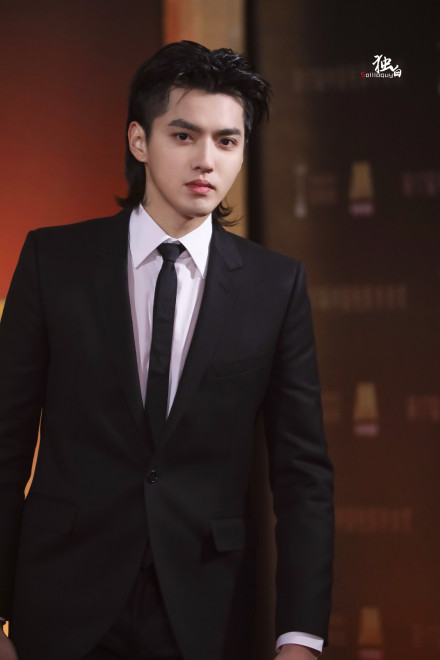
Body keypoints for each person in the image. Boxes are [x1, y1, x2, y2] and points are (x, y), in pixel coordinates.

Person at [0, 41, 334, 660]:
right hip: (61, 604)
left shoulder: (275, 286)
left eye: (227, 141)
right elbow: (5, 444)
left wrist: (301, 637)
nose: (206, 160)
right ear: (139, 141)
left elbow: (303, 476)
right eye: (183, 136)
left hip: (207, 612)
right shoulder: (53, 262)